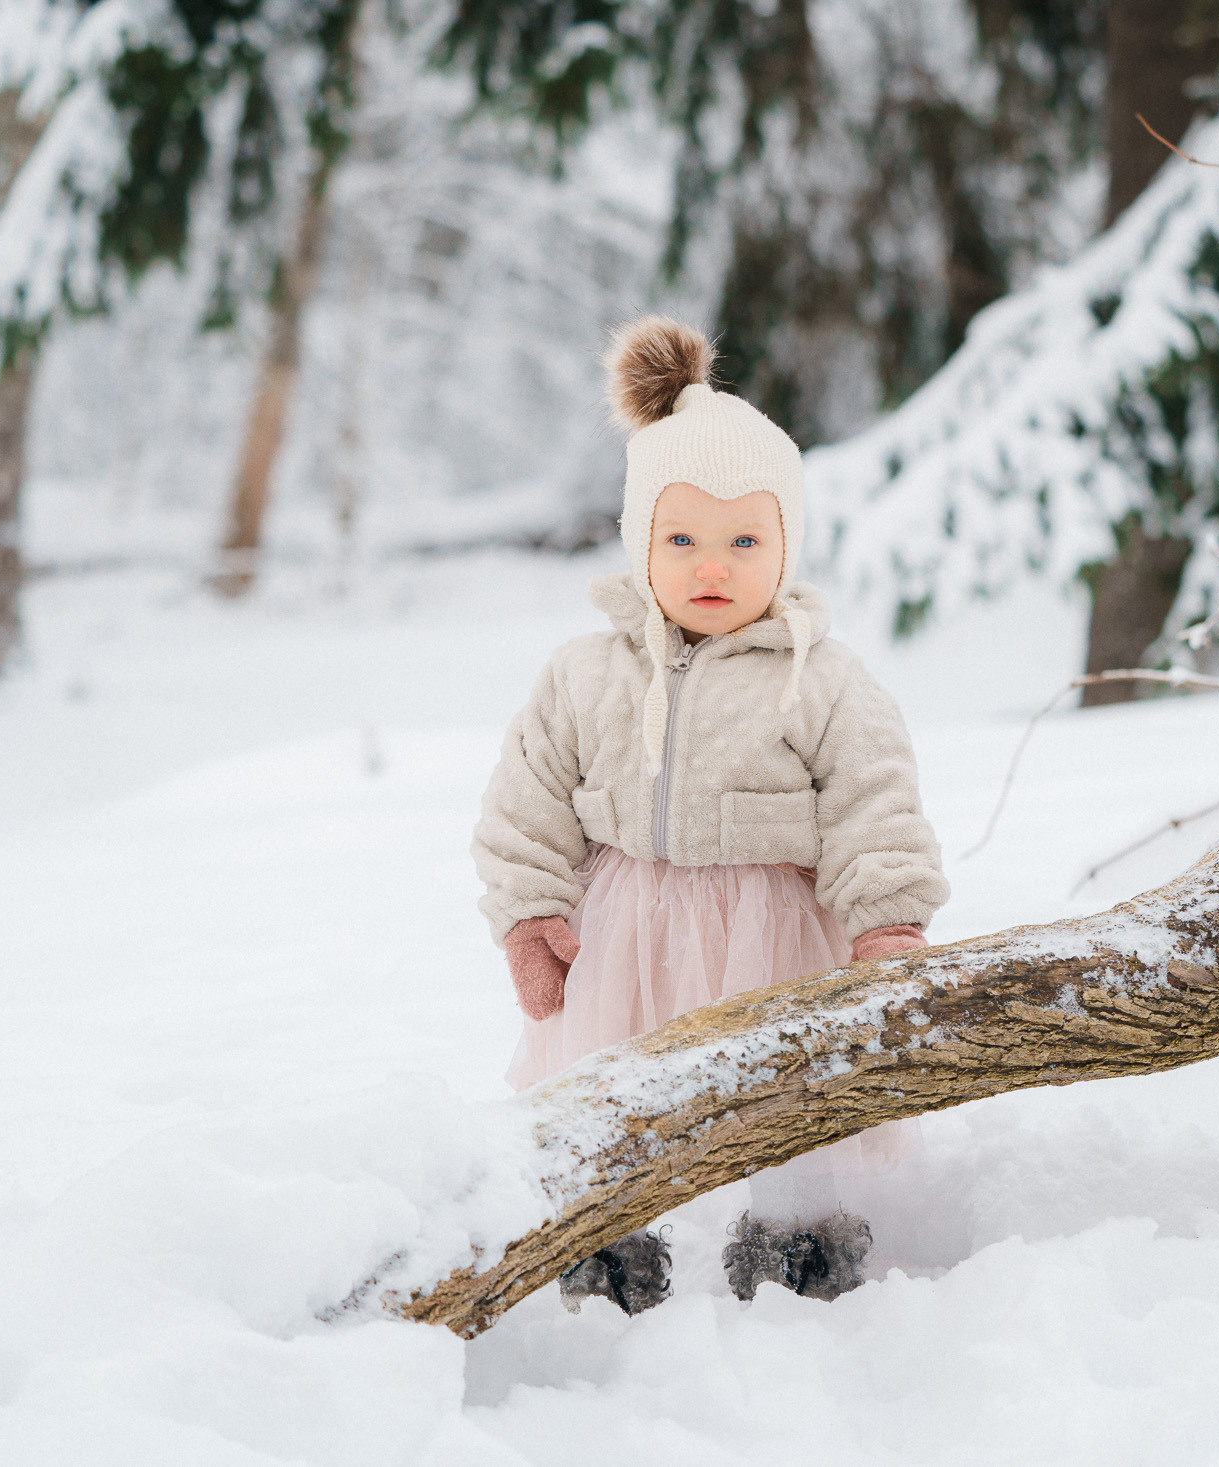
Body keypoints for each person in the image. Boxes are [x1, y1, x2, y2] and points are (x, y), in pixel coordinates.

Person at [471, 316, 948, 1314]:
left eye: (744, 540)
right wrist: (527, 913)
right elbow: (525, 801)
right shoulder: (584, 673)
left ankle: (798, 1238)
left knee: (787, 1093)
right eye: (682, 538)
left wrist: (887, 923)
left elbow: (875, 804)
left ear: (786, 548)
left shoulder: (822, 679)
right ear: (639, 540)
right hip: (620, 938)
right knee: (608, 1093)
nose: (712, 565)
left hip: (771, 932)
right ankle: (606, 1243)